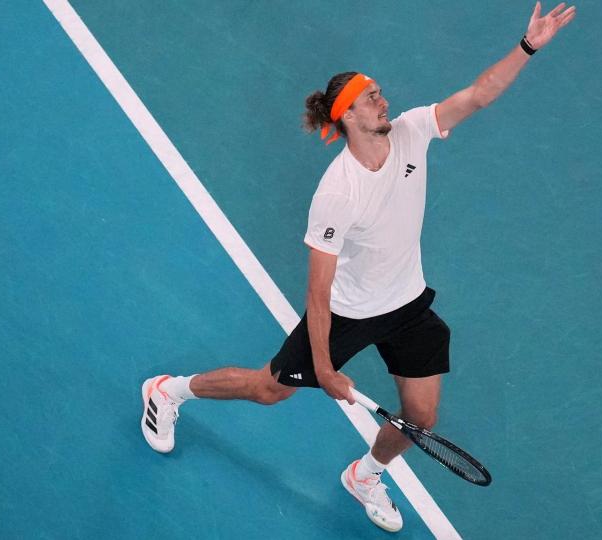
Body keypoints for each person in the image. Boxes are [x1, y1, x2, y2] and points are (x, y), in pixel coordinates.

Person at [140, 3, 576, 533]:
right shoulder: (337, 193)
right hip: (347, 312)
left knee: (421, 417)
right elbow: (318, 294)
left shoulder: (413, 130)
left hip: (408, 304)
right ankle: (169, 390)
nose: (384, 100)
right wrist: (323, 369)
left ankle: (364, 475)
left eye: (380, 93)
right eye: (372, 97)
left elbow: (479, 93)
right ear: (348, 115)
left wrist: (528, 46)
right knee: (269, 389)